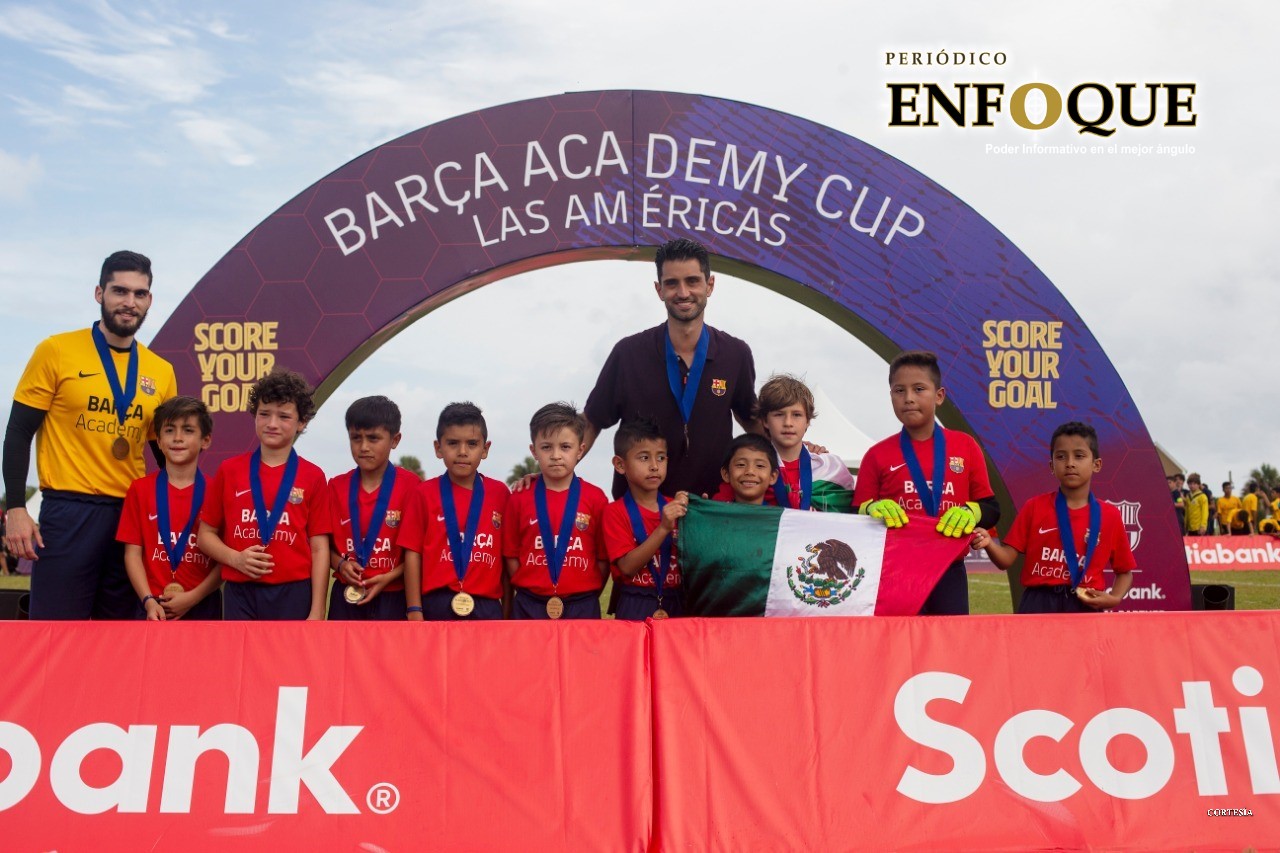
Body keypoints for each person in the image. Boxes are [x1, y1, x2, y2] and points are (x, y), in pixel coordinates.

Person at [3, 250, 178, 619]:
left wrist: (175, 512)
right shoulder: (56, 351)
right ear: (99, 293)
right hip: (69, 510)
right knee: (55, 630)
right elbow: (19, 431)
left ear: (150, 300)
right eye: (120, 291)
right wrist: (16, 507)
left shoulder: (161, 371)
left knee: (119, 632)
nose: (129, 303)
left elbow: (165, 453)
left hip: (130, 514)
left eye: (140, 294)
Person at [583, 238, 757, 498]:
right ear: (659, 289)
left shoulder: (735, 354)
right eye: (672, 283)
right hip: (640, 513)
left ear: (710, 285)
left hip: (710, 510)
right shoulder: (628, 353)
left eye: (693, 281)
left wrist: (800, 453)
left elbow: (753, 421)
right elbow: (591, 420)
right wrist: (554, 470)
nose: (683, 292)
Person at [852, 350, 999, 615]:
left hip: (950, 571)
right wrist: (870, 510)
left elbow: (991, 507)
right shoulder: (876, 455)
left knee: (949, 650)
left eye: (919, 389)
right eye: (899, 390)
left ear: (939, 396)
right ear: (891, 397)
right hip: (896, 573)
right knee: (901, 650)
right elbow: (855, 513)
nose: (908, 398)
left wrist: (970, 511)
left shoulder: (965, 446)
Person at [197, 368, 332, 620]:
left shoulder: (313, 476)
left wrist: (317, 609)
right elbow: (205, 536)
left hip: (293, 592)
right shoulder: (229, 470)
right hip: (240, 591)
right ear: (254, 416)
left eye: (283, 416)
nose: (272, 423)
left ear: (301, 422)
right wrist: (235, 559)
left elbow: (319, 548)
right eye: (264, 414)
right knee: (243, 660)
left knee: (287, 661)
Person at [970, 422, 1134, 613]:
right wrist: (989, 543)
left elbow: (1125, 572)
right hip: (1038, 603)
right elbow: (1005, 560)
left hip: (1085, 604)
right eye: (1061, 457)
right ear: (1052, 466)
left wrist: (1114, 598)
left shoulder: (1110, 515)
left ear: (1096, 464)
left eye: (1079, 456)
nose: (1070, 463)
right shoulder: (1034, 507)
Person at [401, 402, 510, 620]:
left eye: (472, 444)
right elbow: (413, 554)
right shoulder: (424, 493)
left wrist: (507, 612)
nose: (462, 452)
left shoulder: (500, 493)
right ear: (438, 448)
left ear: (485, 449)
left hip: (486, 606)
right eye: (452, 443)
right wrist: (414, 609)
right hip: (436, 603)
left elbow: (506, 559)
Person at [117, 396, 221, 620]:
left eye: (188, 430)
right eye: (169, 430)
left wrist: (193, 597)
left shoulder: (217, 492)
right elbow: (132, 554)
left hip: (202, 605)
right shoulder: (139, 489)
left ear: (206, 440)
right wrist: (147, 600)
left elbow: (224, 560)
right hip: (151, 607)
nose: (178, 438)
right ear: (159, 440)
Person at [503, 403, 609, 619]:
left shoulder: (596, 498)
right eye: (546, 447)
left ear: (580, 450)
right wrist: (532, 588)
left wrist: (587, 592)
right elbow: (511, 556)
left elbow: (602, 559)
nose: (556, 455)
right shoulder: (519, 497)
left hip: (582, 604)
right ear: (534, 451)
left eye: (565, 447)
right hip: (529, 604)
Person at [326, 396, 419, 621]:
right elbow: (320, 547)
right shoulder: (335, 486)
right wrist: (339, 563)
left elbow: (418, 553)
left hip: (395, 595)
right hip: (346, 596)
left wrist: (390, 576)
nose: (364, 447)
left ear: (395, 440)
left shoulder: (413, 487)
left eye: (373, 438)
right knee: (344, 656)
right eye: (356, 438)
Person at [723, 373, 855, 511]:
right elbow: (722, 511)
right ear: (765, 421)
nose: (788, 423)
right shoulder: (746, 467)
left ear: (808, 421)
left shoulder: (829, 468)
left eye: (797, 415)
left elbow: (849, 516)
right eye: (779, 415)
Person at [602, 418, 689, 620]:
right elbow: (627, 567)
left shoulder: (678, 507)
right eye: (643, 458)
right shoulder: (615, 512)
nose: (654, 466)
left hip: (676, 599)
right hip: (635, 600)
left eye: (660, 458)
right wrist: (663, 528)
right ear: (620, 465)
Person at [719, 433, 780, 505]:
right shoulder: (715, 514)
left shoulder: (782, 515)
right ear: (726, 474)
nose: (750, 471)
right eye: (741, 464)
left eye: (760, 465)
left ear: (772, 476)